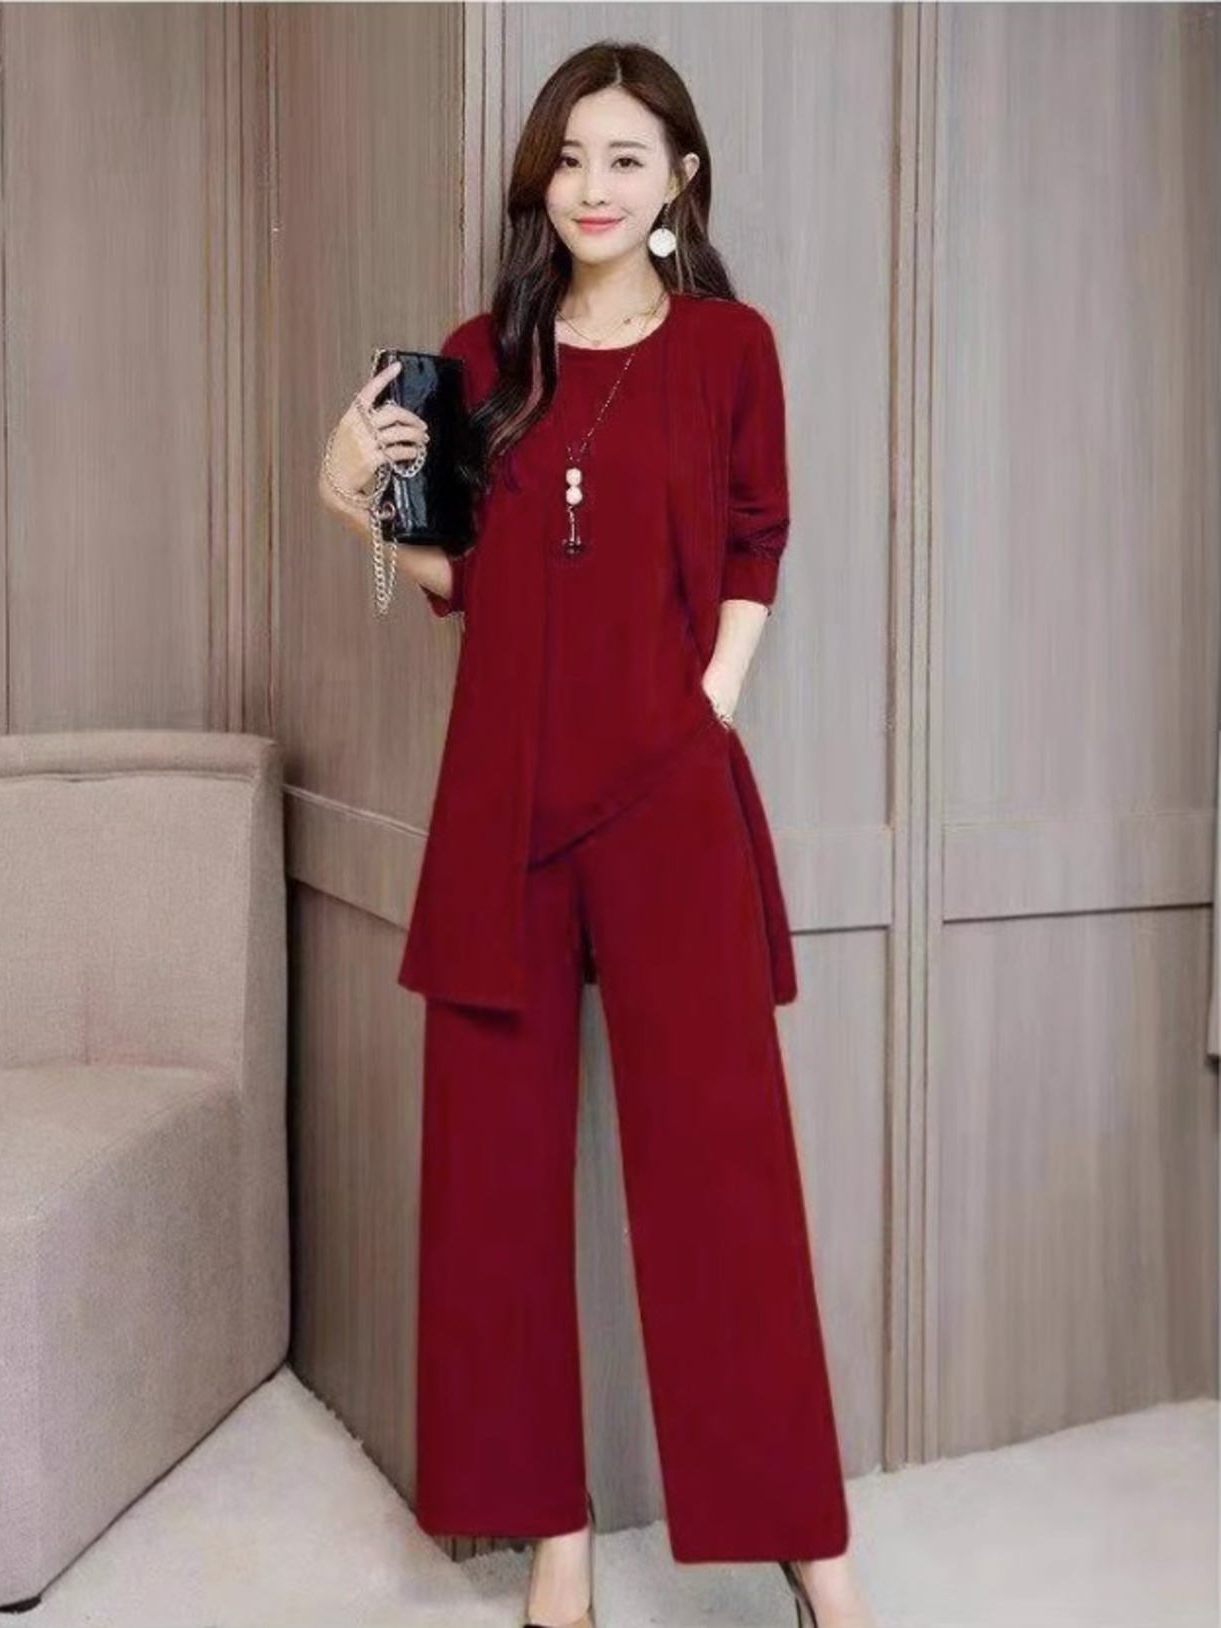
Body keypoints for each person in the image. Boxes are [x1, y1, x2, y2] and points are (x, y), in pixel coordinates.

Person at [319, 39, 879, 1628]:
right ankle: (552, 1539)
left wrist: (709, 703)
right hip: (500, 807)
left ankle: (813, 1553)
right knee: (492, 1187)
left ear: (681, 177)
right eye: (569, 157)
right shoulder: (477, 359)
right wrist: (347, 489)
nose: (592, 186)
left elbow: (759, 536)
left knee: (724, 1183)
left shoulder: (727, 348)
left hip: (665, 797)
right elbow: (456, 578)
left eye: (626, 156)